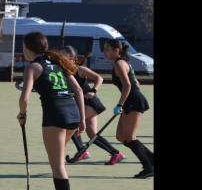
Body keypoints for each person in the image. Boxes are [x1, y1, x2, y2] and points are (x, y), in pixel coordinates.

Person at [18, 32, 86, 190]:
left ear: (29, 48)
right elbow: (78, 90)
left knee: (57, 166)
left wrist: (22, 114)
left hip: (55, 116)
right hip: (72, 114)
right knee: (58, 164)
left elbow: (24, 98)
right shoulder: (58, 63)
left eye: (23, 46)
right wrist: (82, 119)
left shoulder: (33, 67)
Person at [61, 46, 125, 165]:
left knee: (71, 123)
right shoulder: (62, 72)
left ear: (73, 58)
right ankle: (116, 153)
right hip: (82, 105)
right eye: (60, 55)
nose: (61, 58)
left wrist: (93, 90)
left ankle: (81, 150)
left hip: (90, 103)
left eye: (64, 56)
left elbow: (99, 78)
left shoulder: (79, 69)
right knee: (92, 134)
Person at [103, 39, 154, 178]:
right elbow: (135, 81)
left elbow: (128, 85)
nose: (104, 52)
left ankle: (148, 167)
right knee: (121, 136)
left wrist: (120, 104)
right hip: (130, 101)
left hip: (133, 101)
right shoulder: (123, 62)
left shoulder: (119, 63)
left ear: (116, 50)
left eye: (107, 49)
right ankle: (151, 158)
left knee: (130, 137)